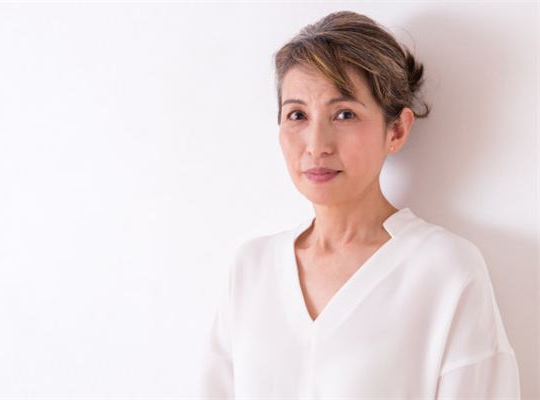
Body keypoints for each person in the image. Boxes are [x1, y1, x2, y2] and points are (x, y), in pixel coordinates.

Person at [198, 10, 520, 399]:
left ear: (396, 130)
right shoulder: (251, 268)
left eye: (344, 114)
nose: (316, 144)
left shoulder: (445, 270)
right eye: (297, 115)